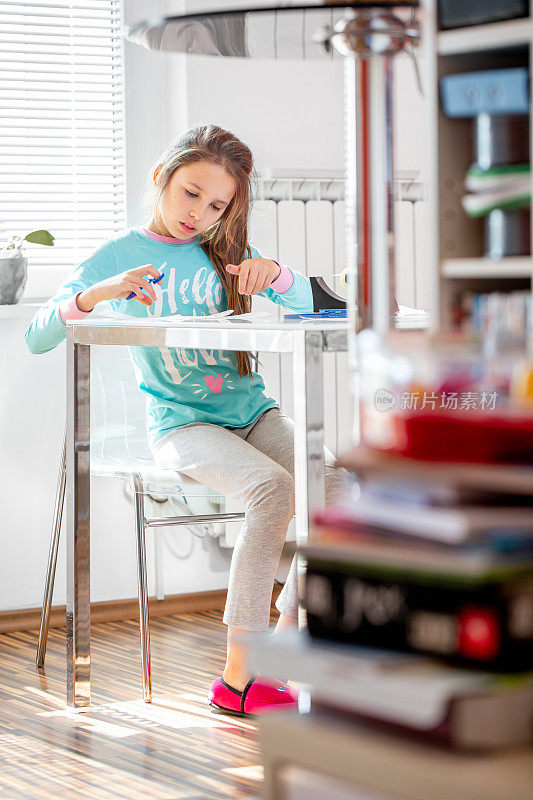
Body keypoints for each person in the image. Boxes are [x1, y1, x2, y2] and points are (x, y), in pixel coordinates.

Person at [25, 124, 348, 717]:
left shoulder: (226, 253)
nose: (199, 213)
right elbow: (38, 333)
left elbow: (324, 304)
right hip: (182, 427)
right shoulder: (121, 255)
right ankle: (238, 674)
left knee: (343, 490)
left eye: (217, 204)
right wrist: (97, 294)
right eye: (190, 193)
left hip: (252, 415)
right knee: (273, 489)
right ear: (162, 179)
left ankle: (287, 638)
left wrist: (275, 277)